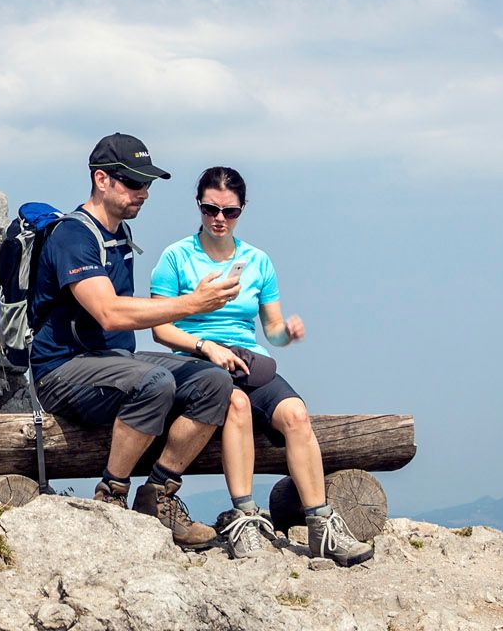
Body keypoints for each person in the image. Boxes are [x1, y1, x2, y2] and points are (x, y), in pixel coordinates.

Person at [28, 132, 243, 548]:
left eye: (147, 184)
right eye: (133, 182)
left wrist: (198, 330)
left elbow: (129, 315)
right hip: (62, 370)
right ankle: (112, 498)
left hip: (112, 361)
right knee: (154, 383)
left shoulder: (120, 235)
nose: (143, 193)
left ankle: (158, 493)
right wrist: (192, 304)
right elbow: (109, 311)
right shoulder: (74, 237)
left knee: (214, 381)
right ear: (101, 179)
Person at [150, 166, 373, 565]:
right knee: (234, 406)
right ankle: (245, 517)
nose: (219, 219)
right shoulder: (176, 257)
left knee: (296, 414)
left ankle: (321, 523)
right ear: (198, 205)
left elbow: (270, 327)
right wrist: (204, 346)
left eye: (229, 212)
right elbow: (159, 328)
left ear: (242, 210)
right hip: (196, 361)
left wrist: (287, 333)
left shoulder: (258, 261)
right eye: (210, 209)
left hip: (249, 360)